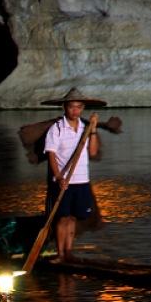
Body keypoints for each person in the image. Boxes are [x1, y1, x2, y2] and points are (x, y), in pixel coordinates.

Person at [41, 87, 106, 263]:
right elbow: (51, 155)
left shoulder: (85, 128)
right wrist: (59, 177)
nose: (75, 111)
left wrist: (92, 129)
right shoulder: (57, 128)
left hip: (81, 180)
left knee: (73, 218)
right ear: (64, 107)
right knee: (62, 218)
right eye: (71, 107)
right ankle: (60, 254)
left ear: (83, 108)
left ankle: (68, 253)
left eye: (79, 107)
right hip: (63, 181)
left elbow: (92, 152)